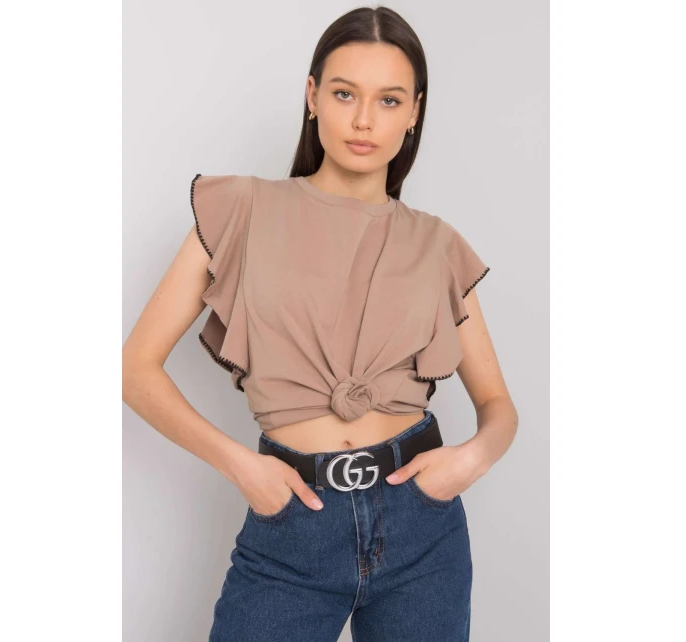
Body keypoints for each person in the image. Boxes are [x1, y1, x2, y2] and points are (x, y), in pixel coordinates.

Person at [122, 6, 518, 641]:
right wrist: (241, 466)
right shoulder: (240, 210)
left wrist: (471, 460)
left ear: (414, 112)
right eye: (344, 93)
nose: (364, 120)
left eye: (389, 100)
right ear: (312, 96)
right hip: (291, 525)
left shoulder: (437, 244)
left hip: (424, 532)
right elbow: (134, 369)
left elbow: (498, 405)